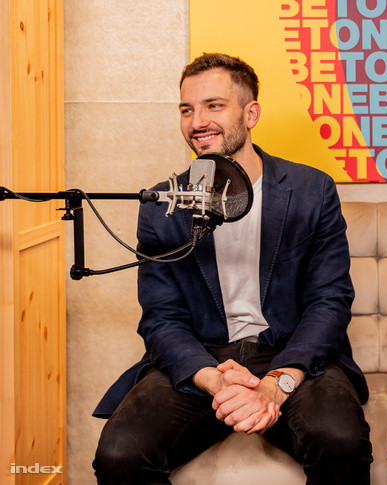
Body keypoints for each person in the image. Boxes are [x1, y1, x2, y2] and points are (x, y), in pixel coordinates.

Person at [92, 53, 372, 484]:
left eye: (214, 106)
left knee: (340, 440)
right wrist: (217, 383)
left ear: (250, 114)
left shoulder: (311, 190)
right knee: (119, 453)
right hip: (204, 357)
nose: (197, 122)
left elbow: (329, 302)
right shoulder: (162, 204)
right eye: (187, 110)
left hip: (290, 352)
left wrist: (275, 383)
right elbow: (161, 317)